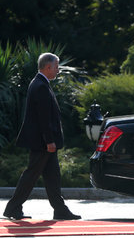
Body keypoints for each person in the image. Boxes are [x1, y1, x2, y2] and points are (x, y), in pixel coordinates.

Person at [3, 53, 81, 221]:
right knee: (31, 174)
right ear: (48, 67)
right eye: (56, 67)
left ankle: (60, 209)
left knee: (53, 176)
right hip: (43, 142)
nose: (58, 70)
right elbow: (43, 118)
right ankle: (12, 207)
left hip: (43, 141)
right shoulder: (40, 86)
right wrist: (49, 141)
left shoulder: (40, 83)